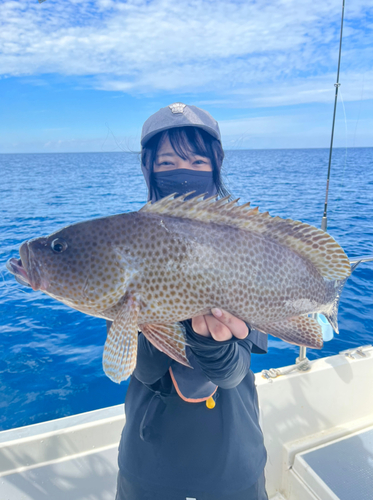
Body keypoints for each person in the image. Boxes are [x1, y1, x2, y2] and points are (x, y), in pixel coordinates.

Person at [114, 103, 269, 500]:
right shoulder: (126, 242)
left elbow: (235, 373)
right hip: (150, 461)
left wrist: (212, 348)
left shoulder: (245, 247)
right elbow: (143, 370)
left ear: (216, 166)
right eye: (168, 162)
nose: (183, 172)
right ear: (149, 168)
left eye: (197, 161)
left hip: (232, 461)